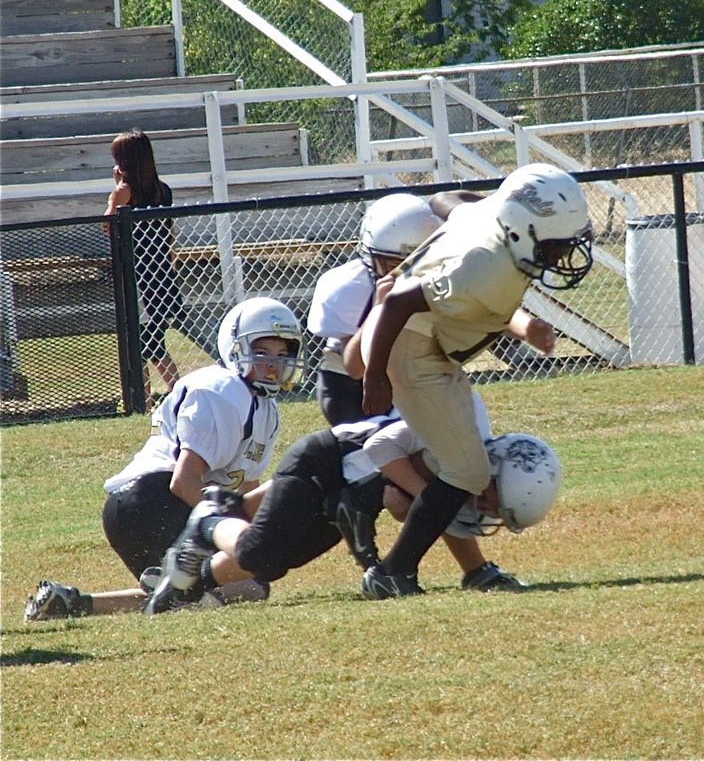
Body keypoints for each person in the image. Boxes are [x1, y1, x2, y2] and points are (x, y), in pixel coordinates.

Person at [358, 162, 593, 598]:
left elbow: (442, 201)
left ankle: (418, 559)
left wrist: (482, 204)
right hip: (409, 348)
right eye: (557, 246)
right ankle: (393, 571)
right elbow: (397, 306)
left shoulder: (494, 221)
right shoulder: (485, 265)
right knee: (466, 470)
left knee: (461, 462)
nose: (563, 256)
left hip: (426, 344)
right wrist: (376, 377)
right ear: (522, 229)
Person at [24, 297, 304, 621]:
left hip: (149, 503)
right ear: (236, 348)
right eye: (263, 352)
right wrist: (227, 532)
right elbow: (184, 481)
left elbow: (243, 486)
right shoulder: (221, 391)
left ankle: (74, 603)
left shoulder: (264, 409)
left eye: (283, 354)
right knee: (242, 584)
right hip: (149, 500)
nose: (274, 363)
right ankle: (175, 591)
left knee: (219, 586)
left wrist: (259, 529)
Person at [144, 406, 562, 613]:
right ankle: (208, 520)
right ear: (494, 468)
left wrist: (476, 571)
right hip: (324, 463)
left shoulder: (471, 461)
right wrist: (417, 496)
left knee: (270, 565)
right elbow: (382, 450)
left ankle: (185, 584)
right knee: (259, 554)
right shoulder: (456, 432)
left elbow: (442, 511)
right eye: (490, 498)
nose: (483, 508)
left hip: (350, 488)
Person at [308, 193, 445, 426]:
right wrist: (381, 308)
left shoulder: (441, 280)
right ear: (372, 257)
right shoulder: (350, 288)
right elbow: (355, 368)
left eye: (416, 264)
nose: (403, 274)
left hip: (409, 376)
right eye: (394, 266)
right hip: (352, 389)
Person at [105, 129, 183, 408]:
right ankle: (146, 400)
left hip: (141, 278)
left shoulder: (125, 193)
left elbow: (108, 227)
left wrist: (114, 197)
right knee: (147, 343)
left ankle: (164, 396)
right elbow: (168, 233)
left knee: (148, 344)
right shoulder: (163, 190)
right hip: (161, 273)